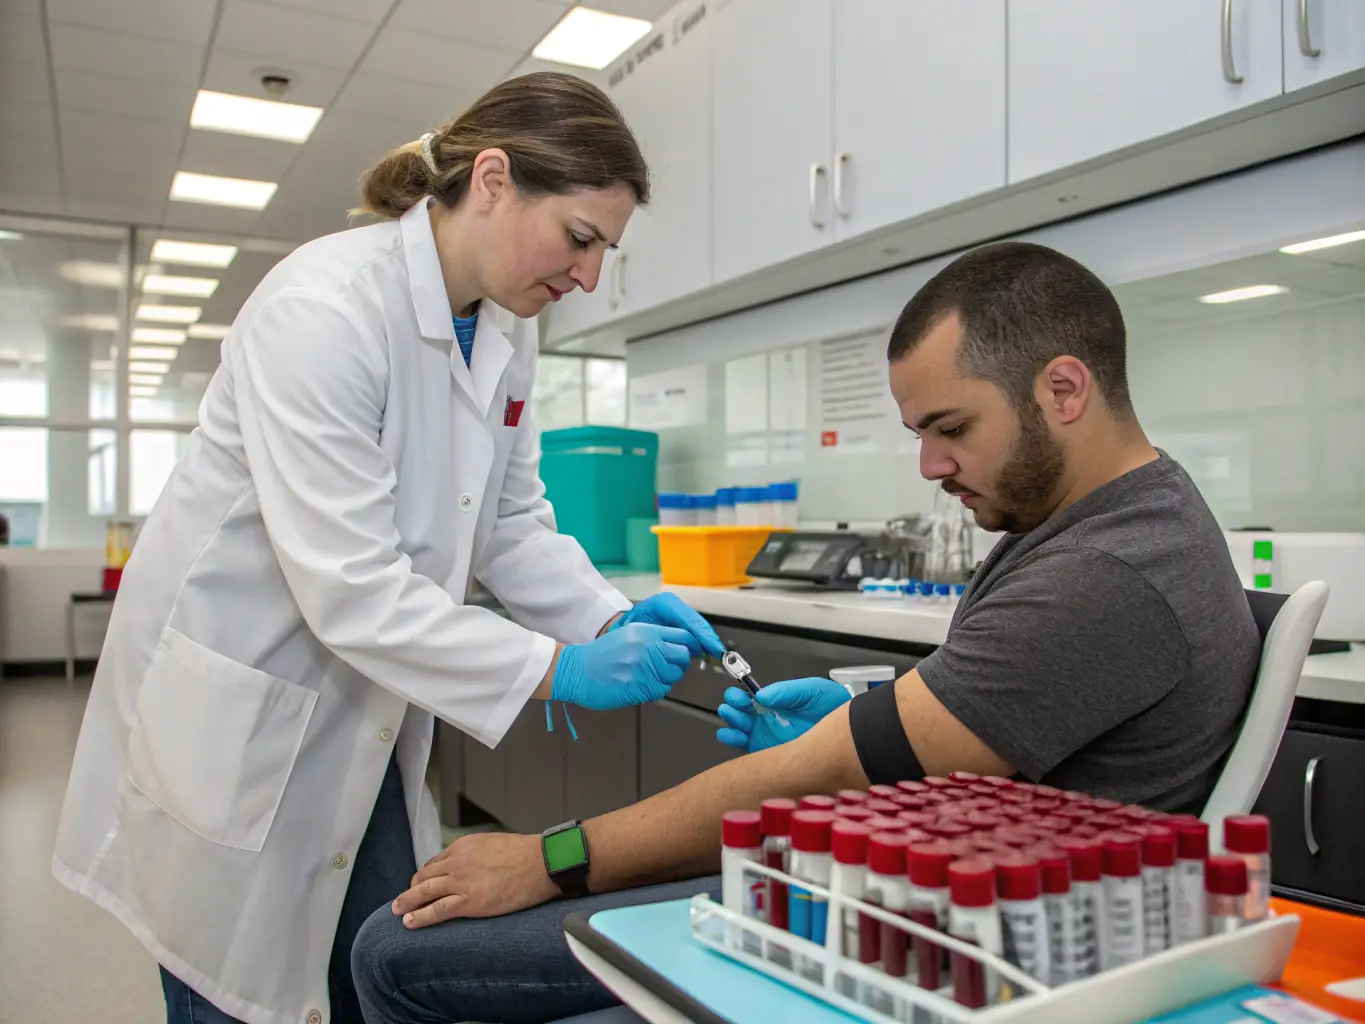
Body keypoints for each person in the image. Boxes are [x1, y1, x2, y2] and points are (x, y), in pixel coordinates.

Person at [349, 241, 1262, 1024]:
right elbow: (958, 729)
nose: (930, 465)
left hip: (939, 946)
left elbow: (824, 772)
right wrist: (864, 710)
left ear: (1063, 389)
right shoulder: (1106, 526)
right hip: (930, 883)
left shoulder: (1106, 572)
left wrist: (554, 856)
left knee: (394, 953)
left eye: (950, 428)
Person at [51, 72, 726, 1024]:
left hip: (360, 713)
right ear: (491, 179)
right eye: (579, 239)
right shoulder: (321, 310)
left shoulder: (505, 329)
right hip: (244, 708)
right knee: (234, 986)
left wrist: (611, 616)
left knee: (370, 972)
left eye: (603, 251)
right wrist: (559, 669)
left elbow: (509, 520)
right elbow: (354, 591)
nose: (587, 277)